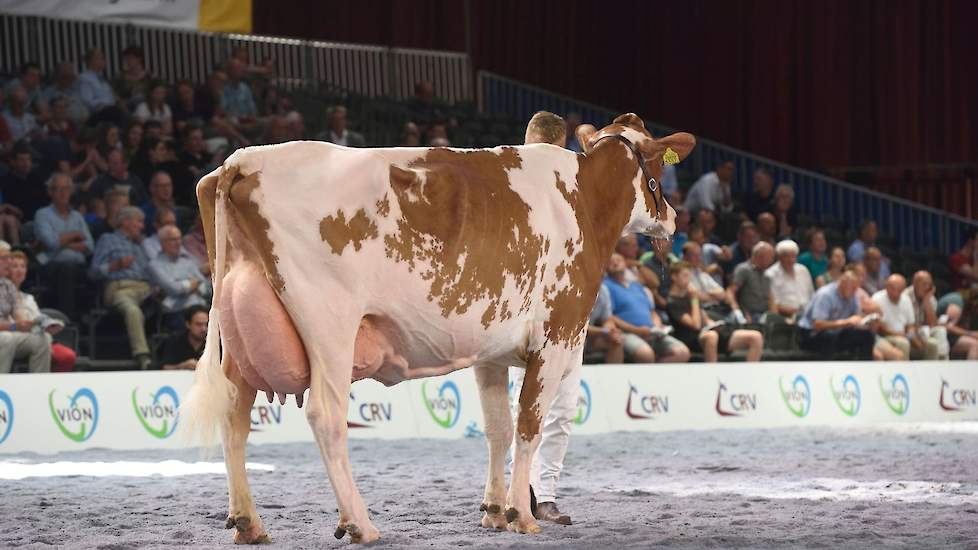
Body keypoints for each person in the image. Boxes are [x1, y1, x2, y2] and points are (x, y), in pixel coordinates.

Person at [507, 111, 576, 525]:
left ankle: (543, 494)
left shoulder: (575, 182)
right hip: (515, 306)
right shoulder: (507, 175)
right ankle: (519, 492)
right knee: (524, 403)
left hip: (568, 307)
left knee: (561, 408)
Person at [90, 206, 154, 369]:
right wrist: (115, 265)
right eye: (138, 222)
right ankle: (142, 355)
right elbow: (93, 272)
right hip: (121, 288)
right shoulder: (108, 239)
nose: (141, 226)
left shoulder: (141, 244)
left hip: (146, 288)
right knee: (133, 310)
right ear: (125, 222)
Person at [667, 262, 763, 362]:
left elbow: (705, 319)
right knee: (711, 336)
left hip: (707, 331)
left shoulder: (690, 296)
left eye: (689, 276)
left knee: (755, 337)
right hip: (690, 337)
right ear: (674, 277)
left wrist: (715, 325)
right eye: (685, 275)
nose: (689, 280)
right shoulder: (672, 302)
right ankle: (711, 375)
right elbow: (695, 325)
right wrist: (695, 299)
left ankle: (749, 375)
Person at [605, 253, 690, 363]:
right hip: (627, 333)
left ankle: (656, 376)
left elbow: (652, 312)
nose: (615, 262)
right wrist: (637, 330)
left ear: (626, 264)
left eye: (618, 260)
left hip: (652, 332)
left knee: (682, 352)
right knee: (646, 354)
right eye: (611, 261)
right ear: (605, 266)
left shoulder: (637, 285)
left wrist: (657, 326)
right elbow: (609, 317)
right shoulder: (605, 286)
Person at [34, 172, 94, 319]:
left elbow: (90, 246)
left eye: (66, 189)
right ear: (50, 192)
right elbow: (51, 243)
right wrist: (74, 236)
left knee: (97, 271)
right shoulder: (42, 214)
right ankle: (67, 320)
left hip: (78, 266)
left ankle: (87, 321)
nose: (63, 193)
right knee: (66, 269)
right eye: (58, 189)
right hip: (51, 264)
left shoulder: (77, 216)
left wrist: (63, 242)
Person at [8, 251, 76, 372]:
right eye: (15, 266)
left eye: (23, 266)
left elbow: (37, 319)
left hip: (37, 335)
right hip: (15, 338)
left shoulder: (29, 298)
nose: (20, 270)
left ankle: (53, 387)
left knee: (67, 356)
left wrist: (49, 325)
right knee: (42, 341)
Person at [797, 268, 875, 360]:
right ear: (842, 285)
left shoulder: (852, 295)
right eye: (853, 288)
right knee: (828, 338)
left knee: (866, 335)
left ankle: (863, 368)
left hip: (837, 332)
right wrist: (846, 322)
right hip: (812, 334)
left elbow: (856, 316)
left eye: (856, 288)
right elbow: (818, 324)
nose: (855, 291)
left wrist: (865, 322)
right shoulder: (825, 295)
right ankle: (830, 371)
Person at [149, 224, 212, 330]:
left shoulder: (187, 261)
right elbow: (175, 289)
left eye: (179, 239)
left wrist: (185, 285)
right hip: (177, 311)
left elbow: (206, 286)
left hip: (201, 307)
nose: (178, 243)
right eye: (173, 239)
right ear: (162, 243)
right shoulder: (155, 265)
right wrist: (192, 284)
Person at [0, 242, 51, 373]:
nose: (8, 262)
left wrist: (30, 324)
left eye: (9, 258)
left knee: (43, 339)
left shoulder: (8, 286)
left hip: (8, 334)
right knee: (6, 338)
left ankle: (38, 388)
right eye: (4, 258)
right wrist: (14, 326)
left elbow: (19, 314)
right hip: (5, 335)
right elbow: (14, 326)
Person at [871, 274, 921, 361]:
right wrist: (901, 335)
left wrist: (911, 336)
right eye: (893, 288)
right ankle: (904, 373)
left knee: (931, 345)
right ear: (886, 287)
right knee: (903, 343)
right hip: (884, 337)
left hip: (904, 335)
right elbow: (880, 328)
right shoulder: (876, 298)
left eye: (899, 289)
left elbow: (911, 325)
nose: (896, 292)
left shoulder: (906, 299)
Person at [726, 242, 776, 324]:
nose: (772, 260)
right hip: (749, 315)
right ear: (761, 256)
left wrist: (776, 317)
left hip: (765, 315)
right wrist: (737, 312)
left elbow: (770, 298)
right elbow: (730, 291)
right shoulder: (744, 269)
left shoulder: (767, 273)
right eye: (771, 257)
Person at [765, 240, 814, 322]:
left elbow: (811, 293)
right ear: (779, 257)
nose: (791, 260)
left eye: (793, 256)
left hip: (807, 314)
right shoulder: (771, 274)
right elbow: (772, 303)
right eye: (787, 256)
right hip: (784, 316)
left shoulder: (803, 270)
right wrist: (792, 312)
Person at [0, 143, 49, 221]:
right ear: (13, 162)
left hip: (46, 217)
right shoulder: (6, 182)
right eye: (22, 160)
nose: (26, 164)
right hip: (26, 221)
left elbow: (46, 199)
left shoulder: (35, 177)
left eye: (28, 159)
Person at [156, 304, 208, 370]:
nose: (204, 329)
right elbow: (161, 367)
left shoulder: (216, 343)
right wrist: (181, 366)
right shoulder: (174, 342)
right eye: (198, 324)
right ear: (188, 324)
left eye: (206, 324)